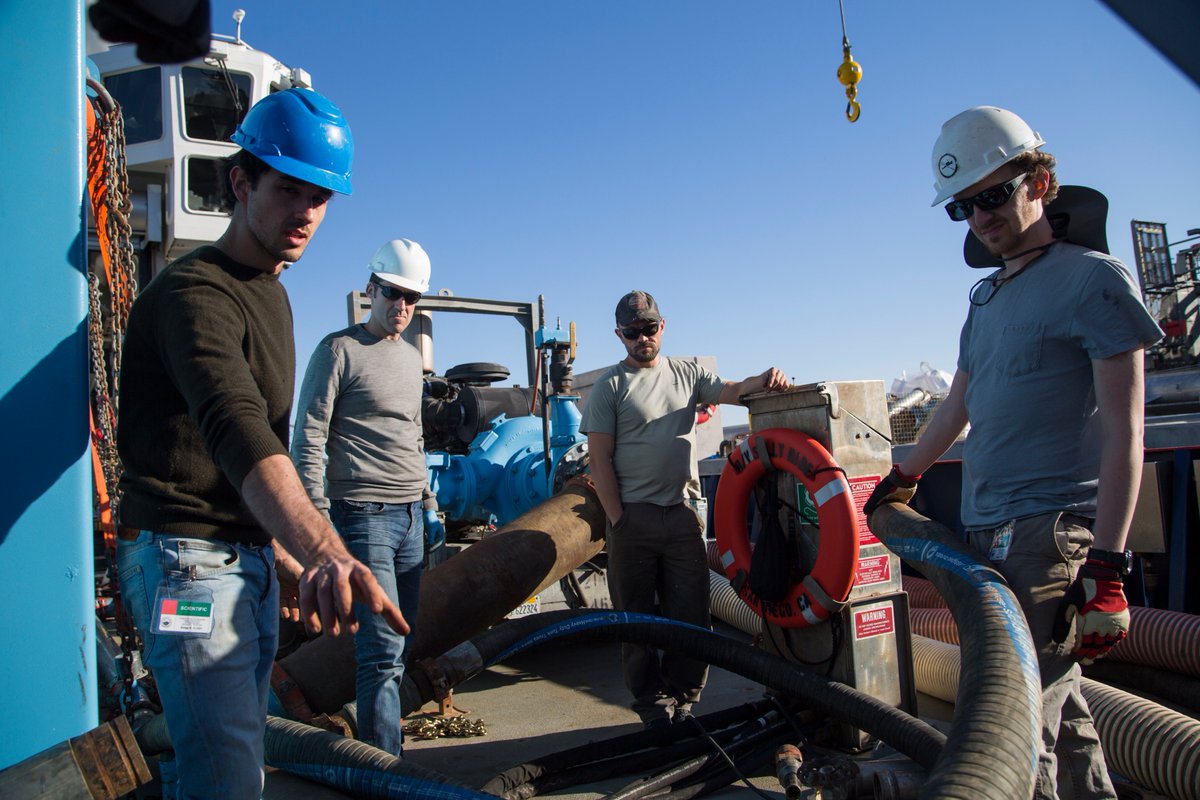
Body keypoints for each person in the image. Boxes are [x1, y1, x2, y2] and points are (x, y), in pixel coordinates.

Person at [115, 88, 408, 800]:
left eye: (321, 197)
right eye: (288, 189)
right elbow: (237, 429)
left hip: (236, 565)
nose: (306, 212)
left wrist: (270, 550)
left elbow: (222, 459)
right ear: (241, 183)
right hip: (187, 575)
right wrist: (326, 551)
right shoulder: (196, 294)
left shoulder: (271, 294)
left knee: (219, 767)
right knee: (228, 779)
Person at [865, 106, 1162, 799]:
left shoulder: (1094, 279)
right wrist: (902, 476)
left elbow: (1127, 430)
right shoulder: (987, 298)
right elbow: (957, 405)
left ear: (1043, 182)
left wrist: (1110, 564)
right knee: (1055, 705)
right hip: (985, 533)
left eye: (993, 194)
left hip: (1046, 536)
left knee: (1013, 732)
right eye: (963, 206)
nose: (980, 216)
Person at [581, 290, 789, 728]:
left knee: (692, 615)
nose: (643, 338)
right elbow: (599, 459)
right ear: (619, 336)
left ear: (662, 326)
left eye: (649, 329)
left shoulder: (687, 374)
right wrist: (618, 518)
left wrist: (764, 379)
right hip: (632, 519)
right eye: (632, 332)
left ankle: (684, 698)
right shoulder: (610, 387)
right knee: (635, 620)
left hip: (680, 516)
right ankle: (652, 706)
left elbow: (732, 390)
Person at [291, 238, 444, 756]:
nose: (401, 307)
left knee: (402, 640)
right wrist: (317, 523)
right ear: (370, 290)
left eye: (411, 299)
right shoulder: (338, 350)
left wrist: (428, 502)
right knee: (380, 650)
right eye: (392, 294)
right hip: (362, 516)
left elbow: (414, 435)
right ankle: (385, 771)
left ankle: (379, 749)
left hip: (409, 518)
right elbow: (308, 434)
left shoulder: (409, 361)